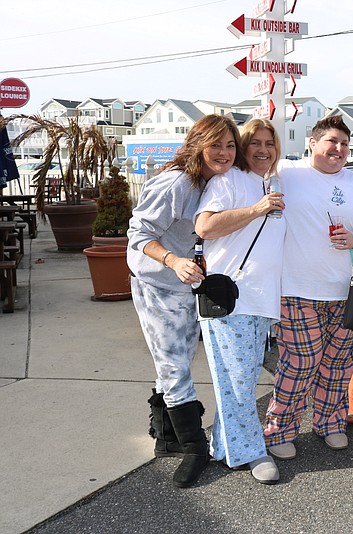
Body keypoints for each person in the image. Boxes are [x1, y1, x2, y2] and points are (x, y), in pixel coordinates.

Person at [263, 115, 353, 459]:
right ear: (312, 142)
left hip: (347, 292)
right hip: (296, 289)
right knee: (300, 362)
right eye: (331, 142)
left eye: (344, 144)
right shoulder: (287, 173)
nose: (338, 149)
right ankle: (279, 430)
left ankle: (329, 424)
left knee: (338, 363)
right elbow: (252, 162)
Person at [128, 114, 242, 488]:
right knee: (175, 365)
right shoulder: (176, 182)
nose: (224, 153)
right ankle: (194, 447)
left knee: (173, 360)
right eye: (216, 145)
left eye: (230, 145)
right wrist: (174, 260)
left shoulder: (216, 181)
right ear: (197, 144)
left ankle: (166, 437)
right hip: (159, 282)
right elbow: (138, 233)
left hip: (189, 286)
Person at [194, 119, 285, 484]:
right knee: (238, 381)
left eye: (270, 143)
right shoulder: (228, 181)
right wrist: (255, 209)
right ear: (244, 148)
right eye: (255, 143)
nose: (264, 149)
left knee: (239, 379)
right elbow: (205, 226)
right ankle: (250, 452)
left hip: (260, 299)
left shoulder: (270, 183)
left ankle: (222, 446)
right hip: (233, 300)